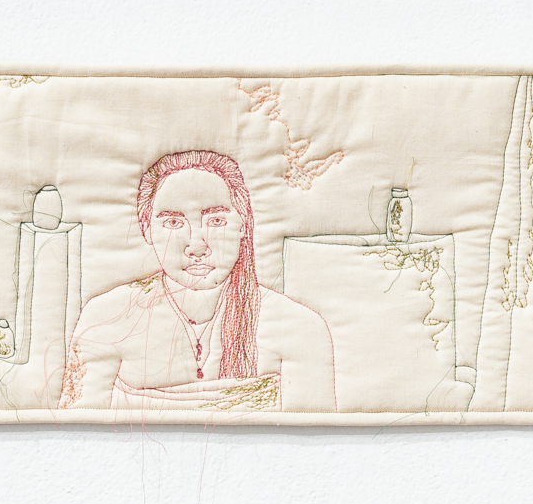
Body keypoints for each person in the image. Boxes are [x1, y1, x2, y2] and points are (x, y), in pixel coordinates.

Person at [61, 149, 336, 411]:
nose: (197, 245)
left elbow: (314, 434)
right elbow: (75, 428)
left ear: (243, 225)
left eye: (216, 221)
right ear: (147, 230)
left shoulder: (301, 327)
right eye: (173, 223)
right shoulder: (107, 317)